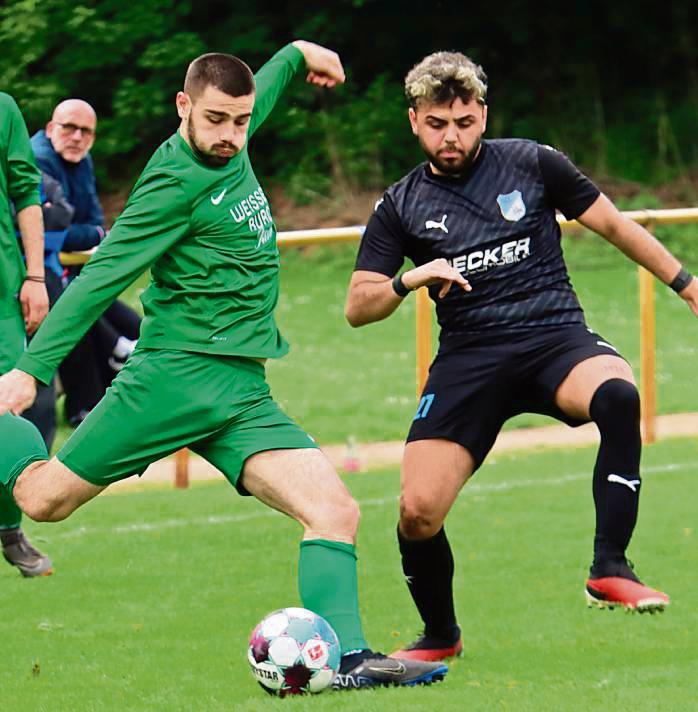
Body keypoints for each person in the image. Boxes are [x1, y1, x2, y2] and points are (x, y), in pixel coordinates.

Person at [0, 42, 447, 690]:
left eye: (240, 121)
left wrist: (299, 53)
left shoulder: (233, 123)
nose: (231, 135)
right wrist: (31, 371)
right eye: (216, 120)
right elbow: (99, 282)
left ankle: (347, 662)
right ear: (184, 107)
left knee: (335, 511)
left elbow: (263, 83)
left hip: (240, 388)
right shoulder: (172, 185)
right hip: (171, 381)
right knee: (44, 500)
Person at [345, 51, 698, 661]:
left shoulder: (533, 163)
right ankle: (440, 637)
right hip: (470, 360)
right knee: (417, 512)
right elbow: (357, 305)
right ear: (414, 122)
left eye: (463, 121)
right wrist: (410, 280)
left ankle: (609, 566)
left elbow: (615, 226)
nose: (451, 136)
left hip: (553, 338)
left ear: (482, 113)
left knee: (618, 392)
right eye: (436, 123)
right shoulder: (401, 203)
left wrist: (688, 286)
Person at [31, 101, 140, 426]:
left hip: (75, 272)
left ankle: (107, 400)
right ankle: (86, 408)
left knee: (134, 327)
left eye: (86, 131)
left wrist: (89, 231)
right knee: (76, 318)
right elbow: (46, 229)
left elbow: (90, 223)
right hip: (38, 273)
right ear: (51, 129)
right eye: (69, 127)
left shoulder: (82, 161)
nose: (77, 137)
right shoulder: (36, 159)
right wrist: (91, 232)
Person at [0, 93, 54, 578]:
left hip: (1, 296)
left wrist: (35, 277)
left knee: (9, 411)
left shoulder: (3, 109)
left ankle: (8, 526)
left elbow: (26, 194)